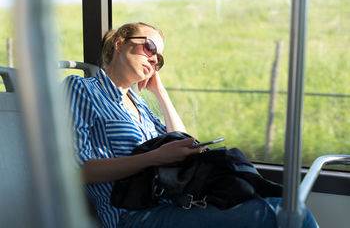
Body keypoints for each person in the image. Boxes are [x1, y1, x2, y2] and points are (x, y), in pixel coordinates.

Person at [64, 22, 318, 228]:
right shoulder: (82, 89)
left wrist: (160, 92)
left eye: (159, 60)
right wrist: (154, 158)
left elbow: (180, 139)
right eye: (149, 48)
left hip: (172, 202)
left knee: (285, 203)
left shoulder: (138, 104)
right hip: (130, 215)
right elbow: (79, 171)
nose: (153, 60)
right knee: (285, 215)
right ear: (120, 44)